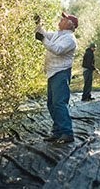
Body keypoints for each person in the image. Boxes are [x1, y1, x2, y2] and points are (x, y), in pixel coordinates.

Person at [35, 12, 78, 143]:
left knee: (59, 103)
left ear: (70, 24)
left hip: (61, 72)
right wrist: (38, 24)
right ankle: (58, 132)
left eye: (64, 19)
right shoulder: (58, 35)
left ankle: (67, 133)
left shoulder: (70, 39)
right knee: (52, 104)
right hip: (53, 73)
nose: (61, 20)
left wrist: (42, 40)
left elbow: (57, 49)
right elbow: (44, 34)